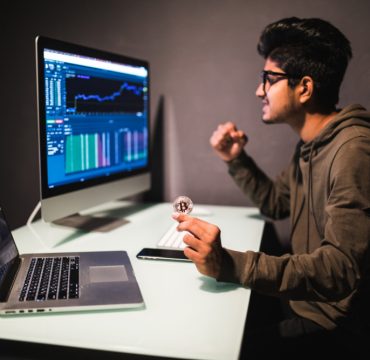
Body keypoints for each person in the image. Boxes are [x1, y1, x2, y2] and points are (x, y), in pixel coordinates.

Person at [172, 17, 370, 358]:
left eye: (269, 79)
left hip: (331, 328)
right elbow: (277, 203)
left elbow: (340, 269)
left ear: (304, 88)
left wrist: (228, 265)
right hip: (302, 304)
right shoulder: (312, 145)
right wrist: (236, 158)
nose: (259, 90)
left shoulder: (354, 150)